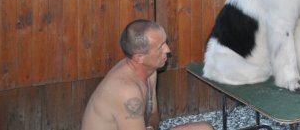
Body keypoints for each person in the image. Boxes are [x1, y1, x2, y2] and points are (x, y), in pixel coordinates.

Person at [81, 19, 213, 130]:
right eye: (160, 47)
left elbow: (153, 116)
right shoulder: (126, 91)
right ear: (140, 57)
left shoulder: (150, 70)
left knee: (205, 129)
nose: (167, 50)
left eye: (165, 42)